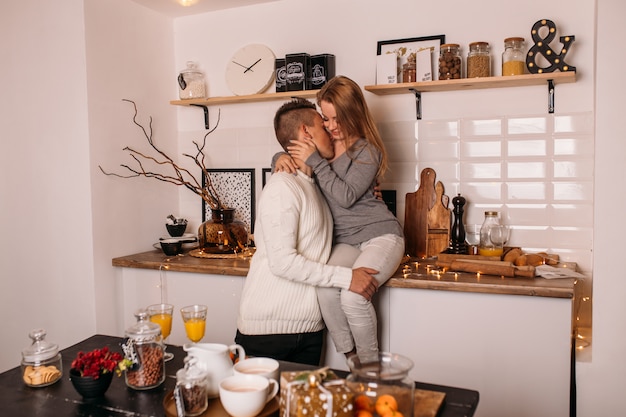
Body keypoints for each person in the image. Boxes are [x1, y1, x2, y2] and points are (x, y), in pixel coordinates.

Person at [235, 98, 380, 366]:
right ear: (306, 133)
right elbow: (283, 263)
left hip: (310, 329)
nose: (330, 130)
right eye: (322, 125)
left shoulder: (316, 187)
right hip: (268, 331)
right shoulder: (282, 187)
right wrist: (347, 278)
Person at [274, 75, 405, 364]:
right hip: (345, 241)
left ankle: (370, 372)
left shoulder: (367, 151)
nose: (331, 127)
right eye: (326, 119)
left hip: (380, 234)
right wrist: (278, 158)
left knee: (354, 297)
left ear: (353, 113)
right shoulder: (323, 148)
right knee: (325, 288)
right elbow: (290, 149)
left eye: (337, 119)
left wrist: (316, 162)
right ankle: (352, 358)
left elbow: (345, 196)